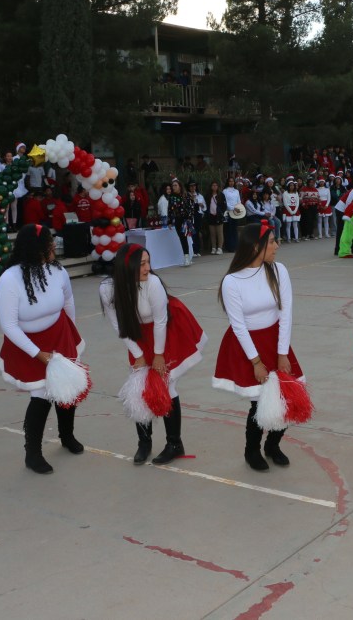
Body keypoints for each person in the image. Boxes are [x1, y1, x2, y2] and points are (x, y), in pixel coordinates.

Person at [101, 244, 206, 464]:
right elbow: (117, 324)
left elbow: (160, 321)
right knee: (139, 387)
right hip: (135, 334)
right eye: (141, 264)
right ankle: (144, 443)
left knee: (166, 385)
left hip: (164, 330)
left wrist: (158, 355)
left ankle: (174, 444)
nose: (148, 268)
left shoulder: (153, 283)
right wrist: (138, 354)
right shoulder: (108, 289)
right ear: (127, 267)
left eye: (148, 262)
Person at [213, 221, 303, 471]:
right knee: (258, 402)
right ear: (256, 247)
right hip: (248, 345)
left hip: (276, 340)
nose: (277, 245)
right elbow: (238, 325)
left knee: (285, 396)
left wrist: (282, 352)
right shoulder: (232, 281)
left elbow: (286, 312)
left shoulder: (278, 270)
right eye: (272, 241)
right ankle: (251, 450)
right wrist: (256, 362)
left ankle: (273, 445)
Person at [0, 225, 85, 474]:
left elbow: (68, 300)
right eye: (49, 242)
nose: (54, 245)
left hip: (59, 334)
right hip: (27, 344)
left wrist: (71, 331)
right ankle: (32, 453)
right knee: (41, 396)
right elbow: (9, 325)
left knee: (67, 389)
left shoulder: (58, 271)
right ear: (36, 248)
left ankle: (67, 436)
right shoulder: (9, 280)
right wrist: (37, 353)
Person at [206, 181, 226, 255]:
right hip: (210, 216)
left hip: (218, 216)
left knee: (219, 233)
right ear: (211, 186)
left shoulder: (221, 195)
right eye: (213, 185)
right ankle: (213, 247)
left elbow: (224, 206)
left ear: (218, 187)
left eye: (216, 185)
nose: (214, 187)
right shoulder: (208, 195)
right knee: (212, 233)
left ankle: (220, 248)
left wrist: (221, 213)